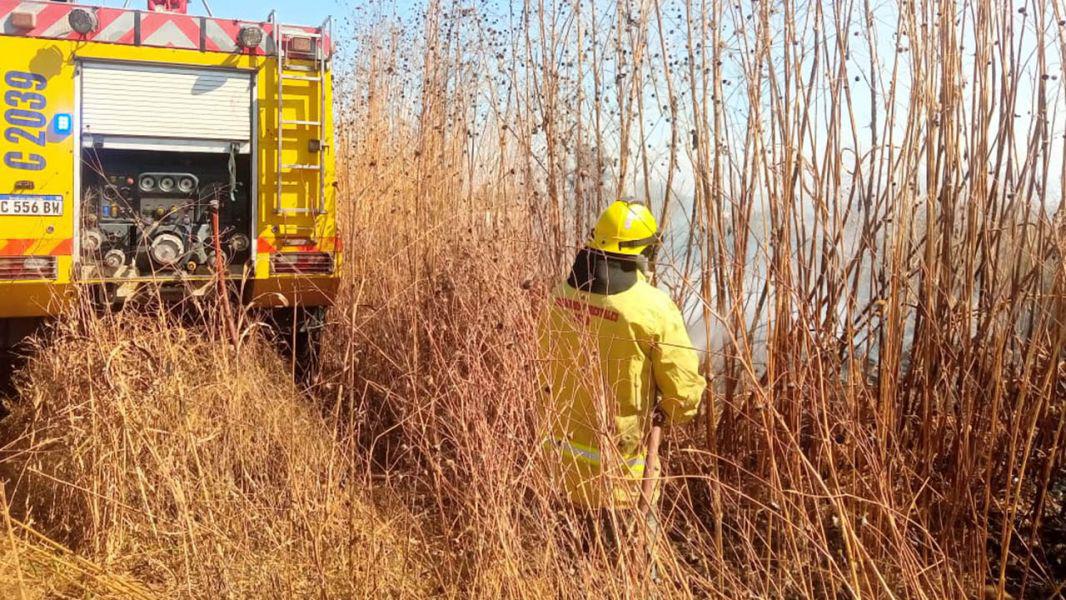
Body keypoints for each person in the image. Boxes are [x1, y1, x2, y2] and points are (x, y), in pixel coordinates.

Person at [539, 199, 706, 563]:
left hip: (558, 470)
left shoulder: (559, 296)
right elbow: (683, 393)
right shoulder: (652, 308)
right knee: (635, 567)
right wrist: (672, 413)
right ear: (642, 252)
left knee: (569, 567)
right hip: (623, 482)